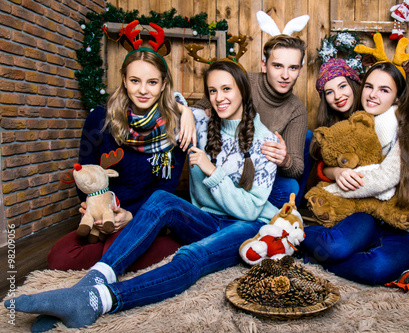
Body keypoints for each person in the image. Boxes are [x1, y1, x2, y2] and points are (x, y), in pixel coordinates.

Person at [6, 60, 280, 330]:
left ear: (243, 90)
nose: (219, 98)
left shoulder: (266, 143)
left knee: (190, 256)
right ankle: (92, 281)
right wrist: (184, 110)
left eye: (227, 89)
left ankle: (97, 300)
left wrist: (211, 171)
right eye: (212, 91)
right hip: (206, 220)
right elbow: (161, 96)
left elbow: (249, 211)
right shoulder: (199, 121)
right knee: (160, 200)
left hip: (247, 228)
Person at [47, 47, 197, 273]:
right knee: (58, 258)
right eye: (135, 80)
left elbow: (165, 190)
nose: (143, 90)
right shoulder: (99, 118)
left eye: (152, 82)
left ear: (164, 84)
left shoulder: (176, 128)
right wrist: (95, 208)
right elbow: (85, 174)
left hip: (148, 215)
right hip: (105, 212)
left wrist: (132, 216)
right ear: (124, 81)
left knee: (114, 249)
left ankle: (141, 247)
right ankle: (125, 253)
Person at [301, 55, 409, 285]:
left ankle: (314, 259)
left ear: (399, 95)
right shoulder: (360, 121)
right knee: (335, 245)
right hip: (369, 215)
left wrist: (332, 191)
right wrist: (335, 173)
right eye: (369, 86)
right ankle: (289, 233)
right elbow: (335, 160)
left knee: (375, 268)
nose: (372, 94)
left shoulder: (408, 125)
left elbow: (388, 175)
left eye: (384, 90)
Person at [194, 34, 312, 208]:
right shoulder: (242, 80)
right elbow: (199, 109)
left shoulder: (296, 110)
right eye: (277, 66)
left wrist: (284, 160)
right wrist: (190, 114)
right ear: (264, 65)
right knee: (186, 128)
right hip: (224, 161)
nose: (285, 75)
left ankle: (274, 215)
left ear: (300, 70)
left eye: (293, 68)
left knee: (290, 186)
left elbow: (297, 169)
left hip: (257, 177)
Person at [312, 58, 409, 204]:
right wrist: (337, 172)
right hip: (360, 198)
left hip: (390, 199)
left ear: (355, 85)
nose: (338, 96)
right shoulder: (337, 122)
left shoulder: (393, 120)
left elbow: (405, 160)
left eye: (342, 86)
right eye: (329, 92)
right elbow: (326, 162)